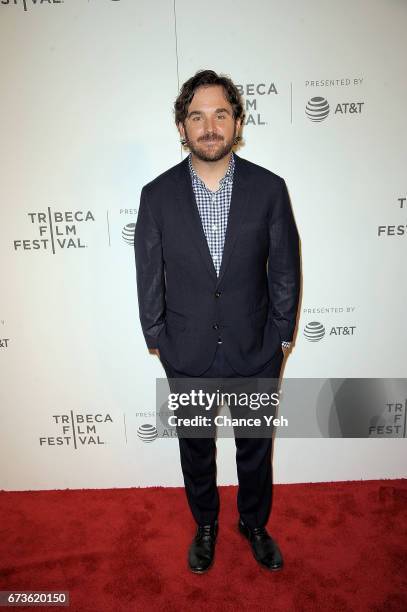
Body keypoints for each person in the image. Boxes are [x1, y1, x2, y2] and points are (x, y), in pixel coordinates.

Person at [134, 69, 301, 573]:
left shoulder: (269, 188)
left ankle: (253, 523)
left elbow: (285, 268)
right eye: (197, 116)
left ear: (237, 121)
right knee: (195, 450)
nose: (209, 126)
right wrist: (157, 336)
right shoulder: (156, 195)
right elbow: (147, 273)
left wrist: (282, 336)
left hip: (256, 345)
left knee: (255, 447)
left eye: (220, 114)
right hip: (186, 349)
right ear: (182, 127)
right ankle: (205, 523)